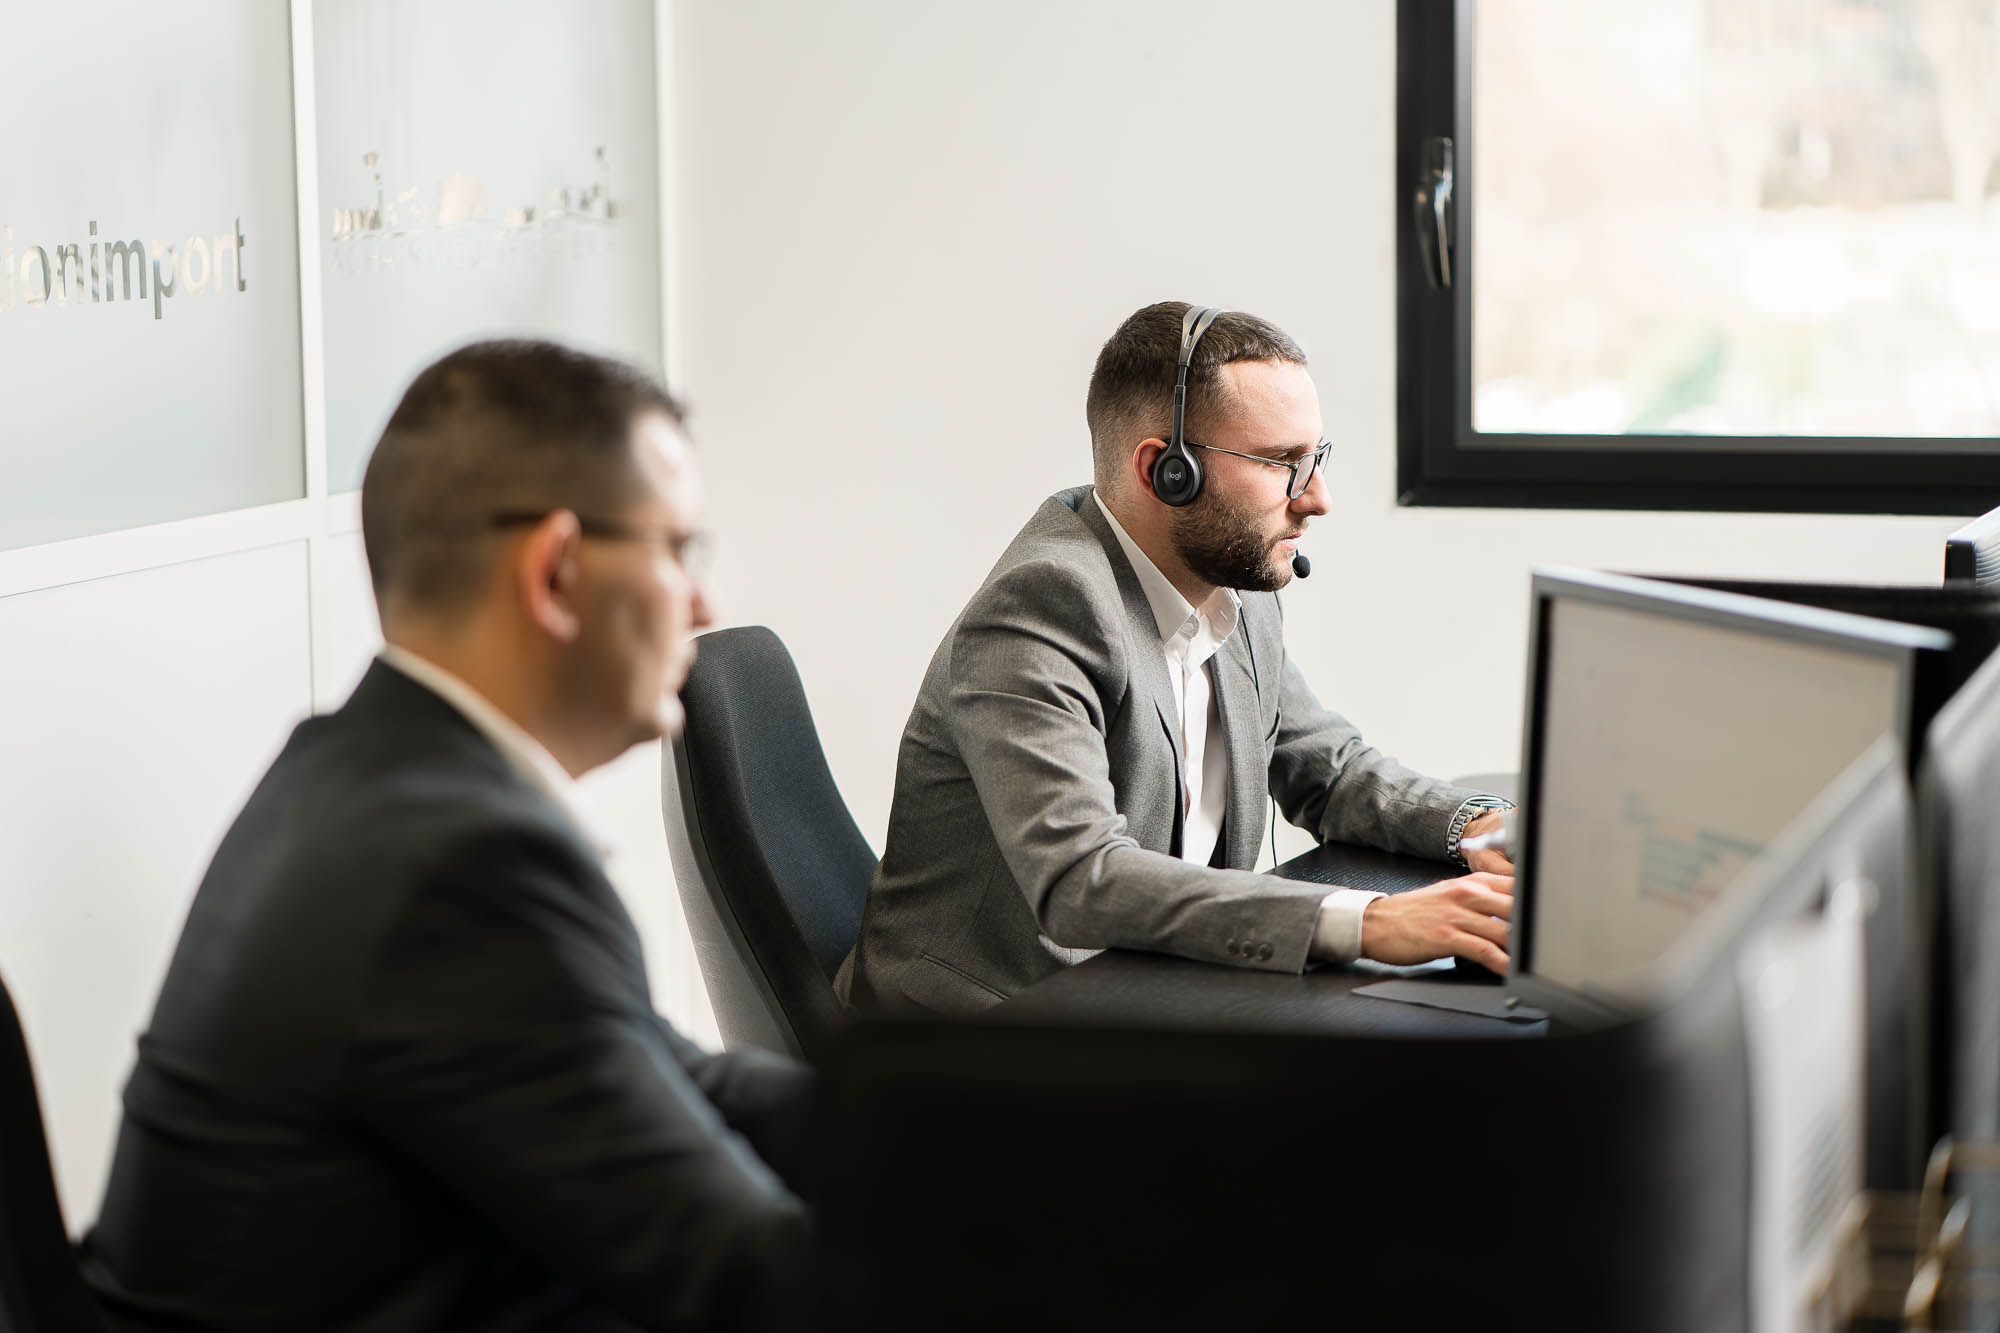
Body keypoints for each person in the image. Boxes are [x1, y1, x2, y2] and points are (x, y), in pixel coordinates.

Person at [80, 341, 812, 1332]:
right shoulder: (459, 865)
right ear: (555, 571)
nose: (703, 604)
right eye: (676, 550)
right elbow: (739, 1273)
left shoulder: (350, 769)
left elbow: (660, 1070)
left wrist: (967, 1126)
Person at [836, 301, 1516, 1016]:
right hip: (986, 1040)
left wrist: (1486, 826)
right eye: (1282, 463)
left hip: (1152, 999)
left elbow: (1331, 769)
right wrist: (1371, 922)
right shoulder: (1042, 608)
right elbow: (1083, 879)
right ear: (1167, 471)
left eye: (1315, 457)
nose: (1318, 498)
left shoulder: (1235, 588)